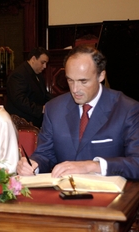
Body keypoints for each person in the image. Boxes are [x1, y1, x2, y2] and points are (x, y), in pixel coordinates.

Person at [17, 45, 139, 180]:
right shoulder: (54, 108)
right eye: (70, 80)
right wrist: (34, 164)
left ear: (101, 76)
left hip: (109, 196)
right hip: (64, 194)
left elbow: (136, 162)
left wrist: (93, 166)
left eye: (83, 81)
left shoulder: (127, 109)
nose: (75, 89)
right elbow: (45, 154)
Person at [5, 47, 53, 128]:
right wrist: (41, 109)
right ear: (33, 59)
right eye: (43, 62)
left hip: (34, 119)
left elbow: (44, 94)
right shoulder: (19, 74)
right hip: (23, 122)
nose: (45, 66)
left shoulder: (38, 74)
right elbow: (20, 100)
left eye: (46, 63)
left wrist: (56, 103)